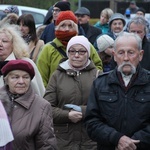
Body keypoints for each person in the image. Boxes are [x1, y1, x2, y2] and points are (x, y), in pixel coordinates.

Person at [84, 32, 150, 150]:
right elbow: (91, 122)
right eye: (121, 53)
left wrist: (134, 142)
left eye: (131, 52)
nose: (125, 58)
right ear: (114, 55)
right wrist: (117, 138)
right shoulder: (100, 84)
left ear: (140, 55)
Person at [44, 35, 101, 150]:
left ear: (88, 53)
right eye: (72, 51)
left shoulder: (97, 75)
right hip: (63, 141)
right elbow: (46, 107)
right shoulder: (57, 75)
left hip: (90, 140)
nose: (76, 55)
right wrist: (67, 115)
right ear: (67, 52)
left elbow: (105, 107)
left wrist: (83, 111)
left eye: (81, 51)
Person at [0, 59, 57, 150]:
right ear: (6, 80)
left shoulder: (42, 106)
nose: (21, 81)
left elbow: (47, 145)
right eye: (15, 77)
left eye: (26, 77)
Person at [37, 11, 103, 87]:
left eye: (70, 26)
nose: (67, 29)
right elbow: (41, 77)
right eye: (63, 25)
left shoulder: (86, 45)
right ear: (57, 28)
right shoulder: (48, 49)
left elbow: (98, 67)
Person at [0, 24, 45, 97]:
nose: (0, 44)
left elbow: (39, 92)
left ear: (13, 44)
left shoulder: (26, 63)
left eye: (4, 41)